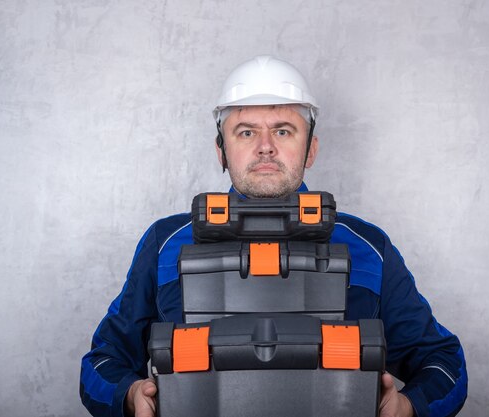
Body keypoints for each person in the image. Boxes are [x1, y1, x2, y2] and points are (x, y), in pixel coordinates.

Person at [80, 55, 468, 417]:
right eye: (246, 132)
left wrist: (408, 406)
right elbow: (101, 363)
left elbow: (444, 362)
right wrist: (129, 395)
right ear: (221, 151)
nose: (266, 147)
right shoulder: (165, 244)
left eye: (283, 130)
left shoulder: (368, 248)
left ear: (310, 148)